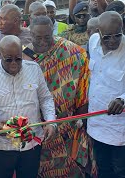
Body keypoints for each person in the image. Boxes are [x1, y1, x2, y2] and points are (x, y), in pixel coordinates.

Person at [0, 35, 56, 178]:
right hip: (1, 146)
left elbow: (46, 99)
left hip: (31, 143)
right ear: (0, 54)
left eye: (18, 59)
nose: (14, 63)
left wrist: (50, 122)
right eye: (8, 59)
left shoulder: (34, 69)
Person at [23, 15, 95, 177]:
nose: (42, 41)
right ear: (30, 34)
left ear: (53, 33)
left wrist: (80, 119)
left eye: (47, 37)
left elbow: (83, 87)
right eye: (38, 37)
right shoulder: (22, 57)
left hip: (68, 126)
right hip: (38, 128)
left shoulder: (73, 53)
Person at [87, 11, 125, 178]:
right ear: (98, 32)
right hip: (97, 123)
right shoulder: (92, 42)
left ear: (123, 29)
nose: (112, 41)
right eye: (107, 37)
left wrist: (122, 100)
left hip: (123, 128)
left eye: (117, 36)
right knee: (103, 170)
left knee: (123, 173)